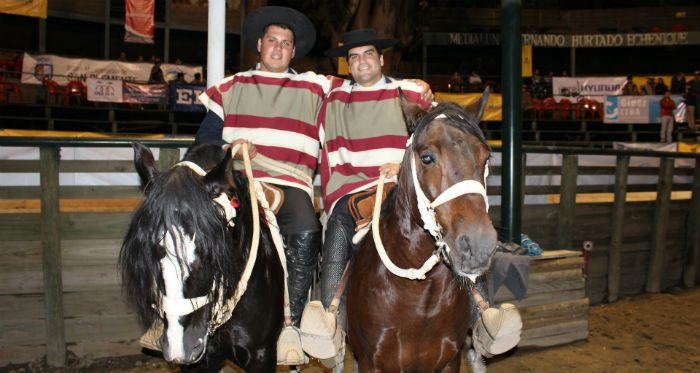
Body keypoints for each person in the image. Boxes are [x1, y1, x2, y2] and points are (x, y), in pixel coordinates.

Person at [314, 28, 521, 365]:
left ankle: (484, 313)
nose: (361, 62)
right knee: (338, 224)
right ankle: (330, 319)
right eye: (353, 57)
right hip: (355, 190)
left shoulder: (411, 91)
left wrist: (403, 164)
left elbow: (442, 133)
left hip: (404, 184)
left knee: (456, 229)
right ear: (347, 66)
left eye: (368, 54)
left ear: (381, 59)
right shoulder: (335, 97)